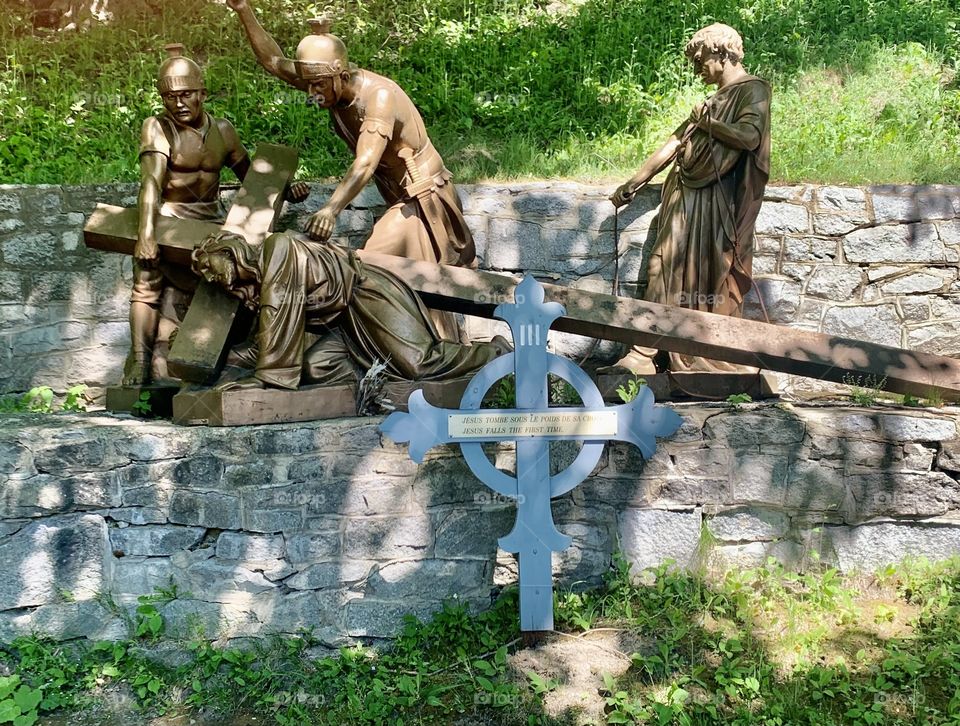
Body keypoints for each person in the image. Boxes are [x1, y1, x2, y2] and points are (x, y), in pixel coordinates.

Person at [224, 0, 474, 341]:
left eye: (318, 86)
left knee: (375, 267)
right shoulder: (325, 82)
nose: (311, 94)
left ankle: (435, 354)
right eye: (308, 84)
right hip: (400, 200)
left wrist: (331, 209)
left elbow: (366, 162)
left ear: (340, 75)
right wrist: (243, 11)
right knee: (402, 282)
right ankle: (416, 350)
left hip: (424, 199)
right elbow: (271, 61)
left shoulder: (379, 98)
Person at [126, 42, 309, 385]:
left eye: (187, 95)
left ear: (203, 93)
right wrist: (146, 235)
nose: (178, 104)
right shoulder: (158, 128)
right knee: (146, 280)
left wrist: (289, 189)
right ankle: (139, 363)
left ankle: (241, 357)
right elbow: (150, 183)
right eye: (169, 97)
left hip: (210, 224)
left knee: (246, 279)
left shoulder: (223, 131)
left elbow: (254, 178)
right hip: (169, 220)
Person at [608, 23, 771, 374]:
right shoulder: (711, 103)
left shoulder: (752, 90)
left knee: (711, 279)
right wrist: (634, 182)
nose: (697, 69)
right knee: (660, 267)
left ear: (722, 53)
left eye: (700, 60)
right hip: (684, 198)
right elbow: (674, 142)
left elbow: (749, 138)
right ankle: (642, 354)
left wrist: (710, 124)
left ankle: (705, 350)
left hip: (716, 204)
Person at [191, 232, 508, 390]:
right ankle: (380, 384)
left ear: (228, 250)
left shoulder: (277, 248)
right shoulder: (261, 286)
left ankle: (497, 355)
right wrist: (226, 362)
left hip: (368, 294)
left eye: (209, 265)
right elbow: (266, 338)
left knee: (419, 363)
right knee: (316, 368)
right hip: (346, 325)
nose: (209, 276)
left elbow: (277, 315)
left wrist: (264, 378)